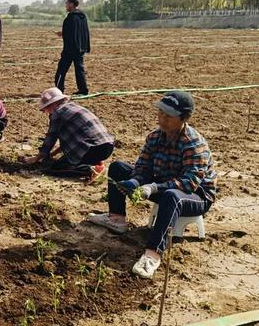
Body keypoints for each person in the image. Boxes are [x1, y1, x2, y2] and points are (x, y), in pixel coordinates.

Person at [87, 91, 216, 279]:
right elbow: (144, 166)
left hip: (196, 196)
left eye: (168, 116)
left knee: (172, 196)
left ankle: (153, 254)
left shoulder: (193, 144)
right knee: (118, 168)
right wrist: (135, 181)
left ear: (184, 118)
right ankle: (116, 219)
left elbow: (189, 183)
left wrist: (153, 188)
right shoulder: (155, 137)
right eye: (161, 113)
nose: (162, 119)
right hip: (163, 185)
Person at [22, 87, 114, 178]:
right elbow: (71, 141)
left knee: (55, 168)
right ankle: (95, 162)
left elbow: (51, 138)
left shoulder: (57, 113)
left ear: (52, 104)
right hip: (107, 146)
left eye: (45, 109)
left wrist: (37, 158)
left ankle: (90, 169)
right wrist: (51, 155)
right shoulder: (74, 107)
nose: (46, 112)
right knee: (65, 161)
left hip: (91, 149)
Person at [55, 0, 90, 95]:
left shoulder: (70, 18)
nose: (66, 5)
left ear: (71, 4)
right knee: (80, 70)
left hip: (70, 50)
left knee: (61, 70)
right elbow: (81, 32)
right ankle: (83, 90)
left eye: (67, 3)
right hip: (81, 48)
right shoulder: (82, 16)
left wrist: (63, 35)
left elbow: (70, 35)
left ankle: (58, 90)